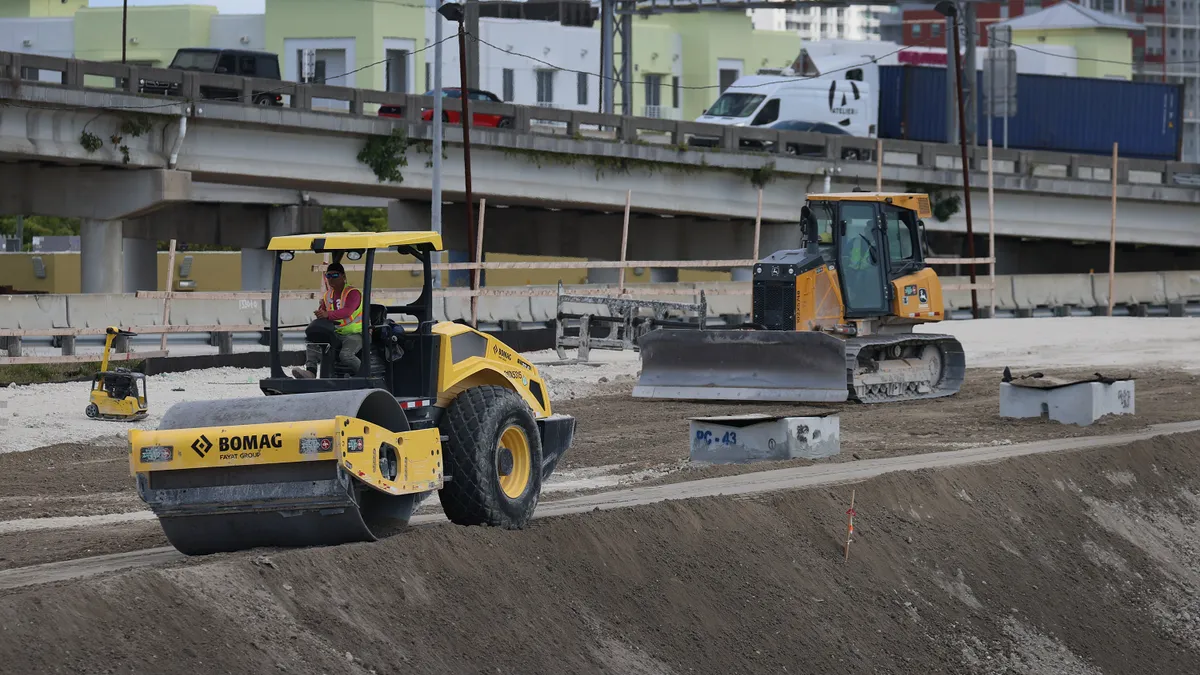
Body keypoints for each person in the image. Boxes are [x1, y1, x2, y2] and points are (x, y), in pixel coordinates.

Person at [292, 262, 362, 378]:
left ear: (343, 276)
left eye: (335, 275)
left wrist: (326, 314)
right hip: (335, 332)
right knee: (313, 341)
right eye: (328, 276)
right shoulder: (327, 296)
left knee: (346, 355)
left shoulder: (353, 293)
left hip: (355, 334)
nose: (331, 279)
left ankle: (365, 375)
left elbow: (347, 311)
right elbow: (324, 312)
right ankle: (311, 372)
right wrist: (320, 314)